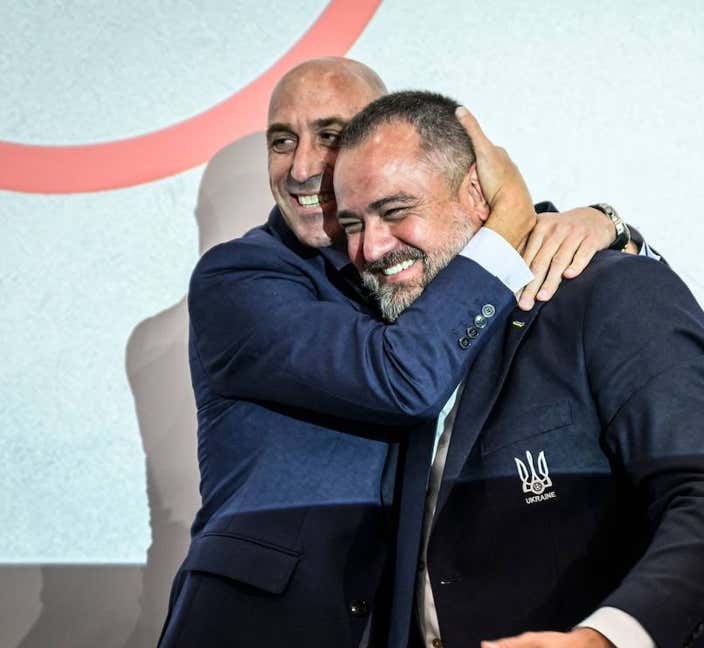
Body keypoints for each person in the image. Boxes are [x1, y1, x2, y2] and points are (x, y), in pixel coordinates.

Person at [158, 57, 647, 648]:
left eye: (332, 136)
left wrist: (606, 225)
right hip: (258, 627)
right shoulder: (239, 279)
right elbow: (402, 377)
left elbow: (546, 266)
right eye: (282, 141)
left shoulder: (429, 262)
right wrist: (513, 214)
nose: (303, 166)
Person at [334, 92, 704, 648]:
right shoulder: (389, 342)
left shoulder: (610, 291)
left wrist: (604, 639)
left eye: (394, 212)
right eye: (351, 223)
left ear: (476, 193)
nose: (371, 246)